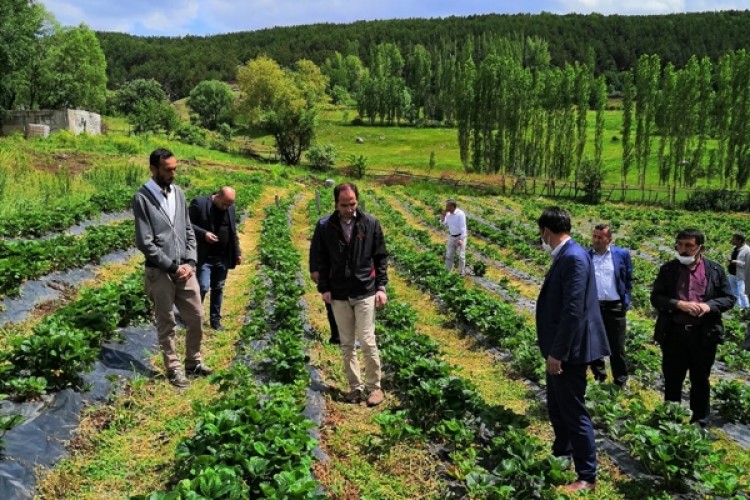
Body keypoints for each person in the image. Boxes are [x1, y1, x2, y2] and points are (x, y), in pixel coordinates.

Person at [536, 207, 609, 493]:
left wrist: (558, 353)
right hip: (562, 347)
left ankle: (587, 476)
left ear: (546, 231)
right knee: (557, 405)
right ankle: (561, 454)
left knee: (573, 410)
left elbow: (573, 311)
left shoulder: (574, 258)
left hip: (570, 351)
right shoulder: (569, 255)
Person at [133, 148, 212, 388]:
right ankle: (174, 368)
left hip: (184, 270)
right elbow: (144, 241)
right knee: (166, 322)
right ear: (153, 169)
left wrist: (190, 261)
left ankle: (193, 361)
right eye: (168, 170)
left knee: (196, 316)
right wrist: (170, 266)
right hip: (160, 272)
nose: (173, 174)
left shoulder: (178, 193)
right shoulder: (142, 198)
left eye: (175, 168)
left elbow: (188, 230)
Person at [313, 182, 388, 407]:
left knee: (367, 340)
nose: (349, 209)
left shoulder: (370, 223)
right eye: (344, 205)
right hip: (338, 292)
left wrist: (381, 287)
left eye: (353, 203)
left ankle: (375, 388)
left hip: (365, 289)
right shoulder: (325, 226)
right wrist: (324, 287)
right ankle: (355, 387)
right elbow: (318, 259)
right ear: (336, 204)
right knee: (347, 344)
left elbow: (381, 257)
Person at [651, 229, 735, 427]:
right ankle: (671, 420)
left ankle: (700, 421)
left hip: (703, 335)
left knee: (700, 380)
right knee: (672, 378)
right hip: (674, 333)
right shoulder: (668, 270)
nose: (683, 249)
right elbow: (656, 297)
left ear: (701, 248)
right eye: (680, 244)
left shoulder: (714, 271)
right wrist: (678, 304)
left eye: (689, 245)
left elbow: (729, 298)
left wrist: (709, 306)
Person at [189, 186, 242, 330]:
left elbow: (232, 232)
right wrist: (203, 234)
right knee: (203, 286)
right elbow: (187, 225)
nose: (226, 207)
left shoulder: (230, 208)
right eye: (224, 203)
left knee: (218, 288)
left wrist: (237, 253)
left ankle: (215, 321)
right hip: (204, 256)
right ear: (217, 196)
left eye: (229, 205)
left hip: (222, 257)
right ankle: (193, 318)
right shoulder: (199, 203)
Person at [588, 224, 633, 388]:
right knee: (594, 343)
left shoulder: (621, 255)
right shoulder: (587, 256)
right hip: (594, 306)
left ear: (609, 239)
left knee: (617, 346)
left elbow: (628, 278)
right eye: (594, 236)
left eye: (600, 237)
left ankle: (620, 380)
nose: (596, 240)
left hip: (615, 306)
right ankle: (599, 376)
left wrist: (625, 301)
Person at [309, 214, 340, 344]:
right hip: (330, 270)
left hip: (352, 273)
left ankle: (349, 337)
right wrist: (314, 268)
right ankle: (336, 336)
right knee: (331, 303)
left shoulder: (363, 222)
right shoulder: (324, 224)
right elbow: (315, 247)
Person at [440, 198, 467, 275]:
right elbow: (443, 223)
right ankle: (448, 271)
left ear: (452, 206)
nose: (445, 207)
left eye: (447, 206)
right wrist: (443, 216)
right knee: (449, 255)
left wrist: (461, 239)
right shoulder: (448, 214)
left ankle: (461, 272)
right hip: (452, 237)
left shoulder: (460, 214)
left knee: (461, 256)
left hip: (460, 237)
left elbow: (463, 227)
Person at [727, 232, 750, 309]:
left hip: (741, 275)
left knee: (742, 293)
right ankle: (738, 307)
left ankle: (746, 308)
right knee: (734, 291)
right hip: (732, 273)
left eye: (734, 239)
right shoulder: (735, 248)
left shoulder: (747, 250)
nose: (732, 240)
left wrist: (736, 262)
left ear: (739, 241)